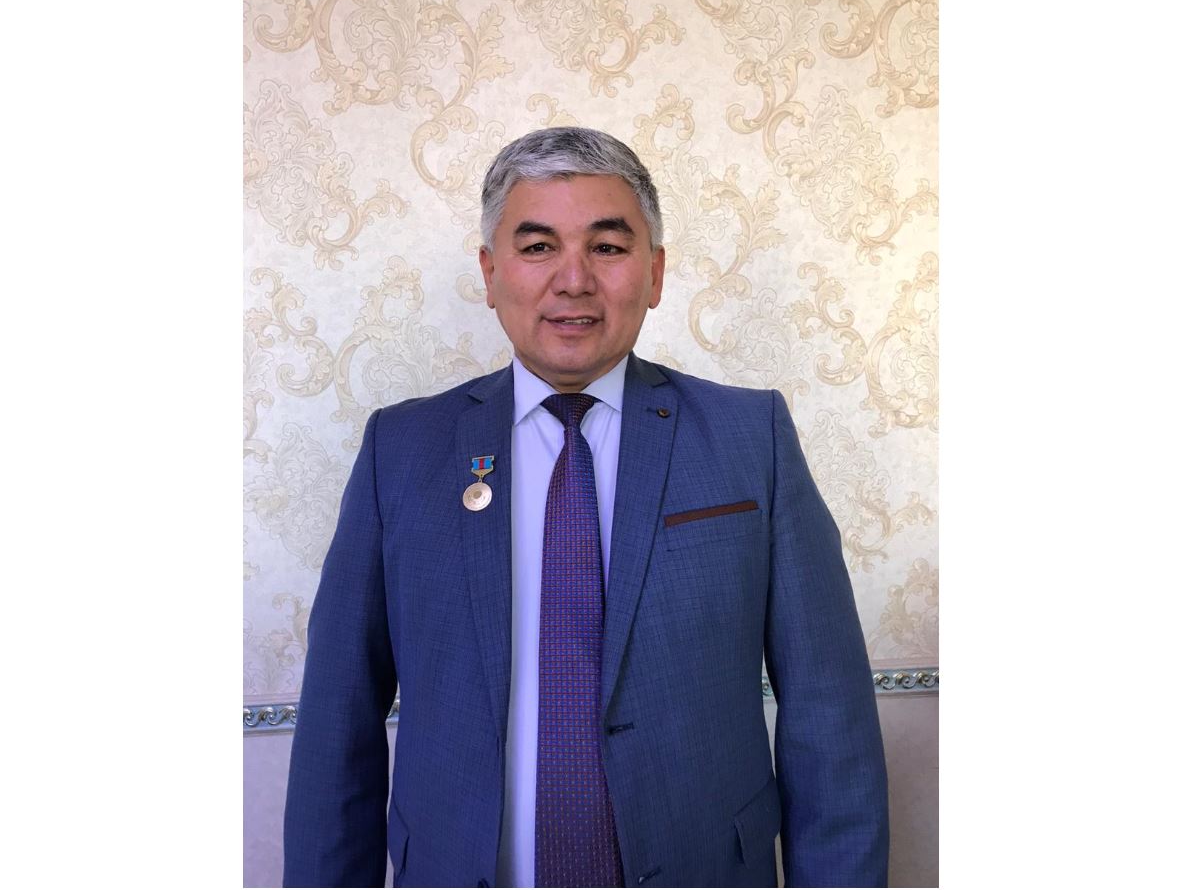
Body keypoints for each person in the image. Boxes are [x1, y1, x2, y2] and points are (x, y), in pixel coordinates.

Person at [282, 127, 888, 888]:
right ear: (490, 272)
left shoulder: (750, 437)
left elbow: (828, 713)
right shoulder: (401, 451)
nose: (573, 279)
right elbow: (338, 720)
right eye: (538, 247)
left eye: (607, 246)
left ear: (654, 272)